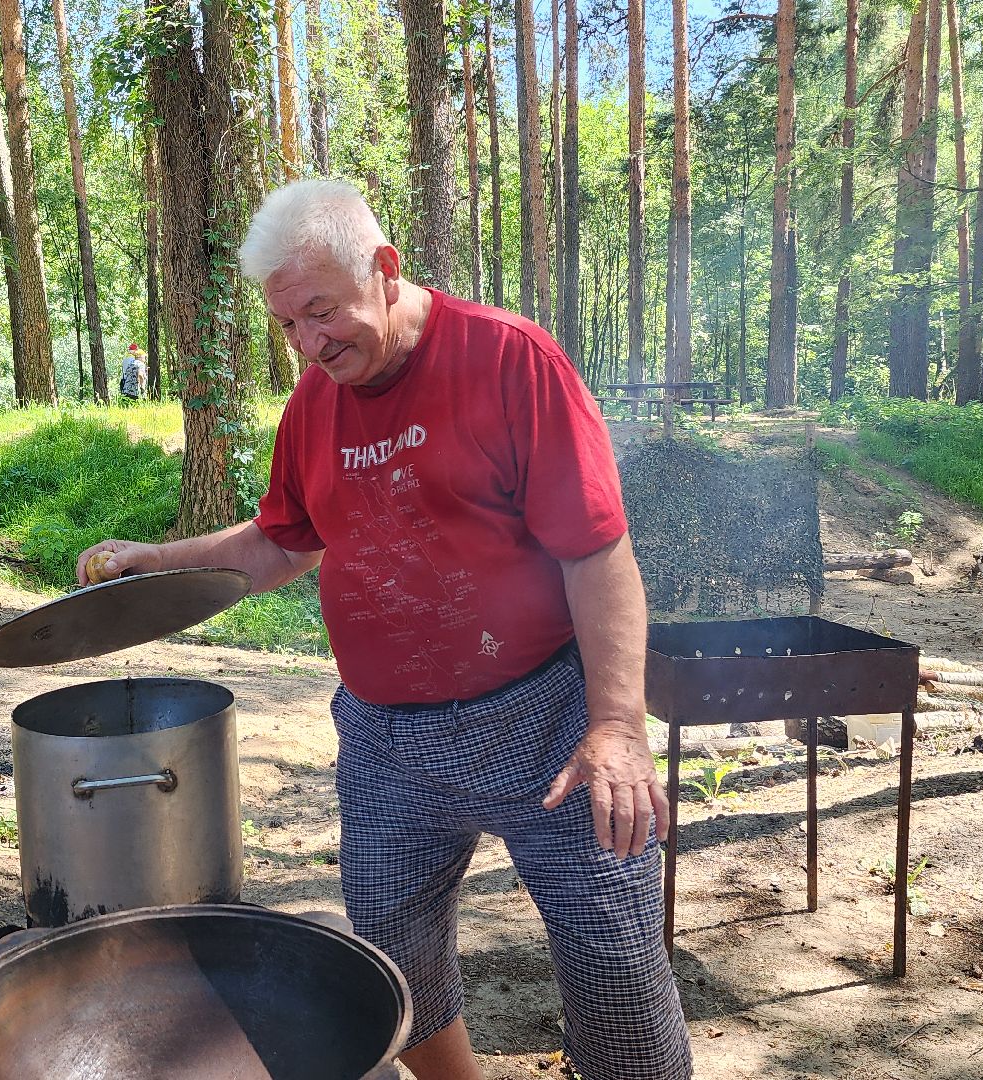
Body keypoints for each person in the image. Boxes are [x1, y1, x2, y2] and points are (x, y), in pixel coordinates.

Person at [76, 180, 692, 1080]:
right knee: (393, 956)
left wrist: (617, 729)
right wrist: (153, 560)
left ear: (386, 270)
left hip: (546, 722)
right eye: (288, 327)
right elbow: (278, 545)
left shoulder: (508, 358)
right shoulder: (312, 409)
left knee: (613, 959)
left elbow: (598, 553)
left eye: (323, 312)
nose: (310, 345)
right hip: (387, 741)